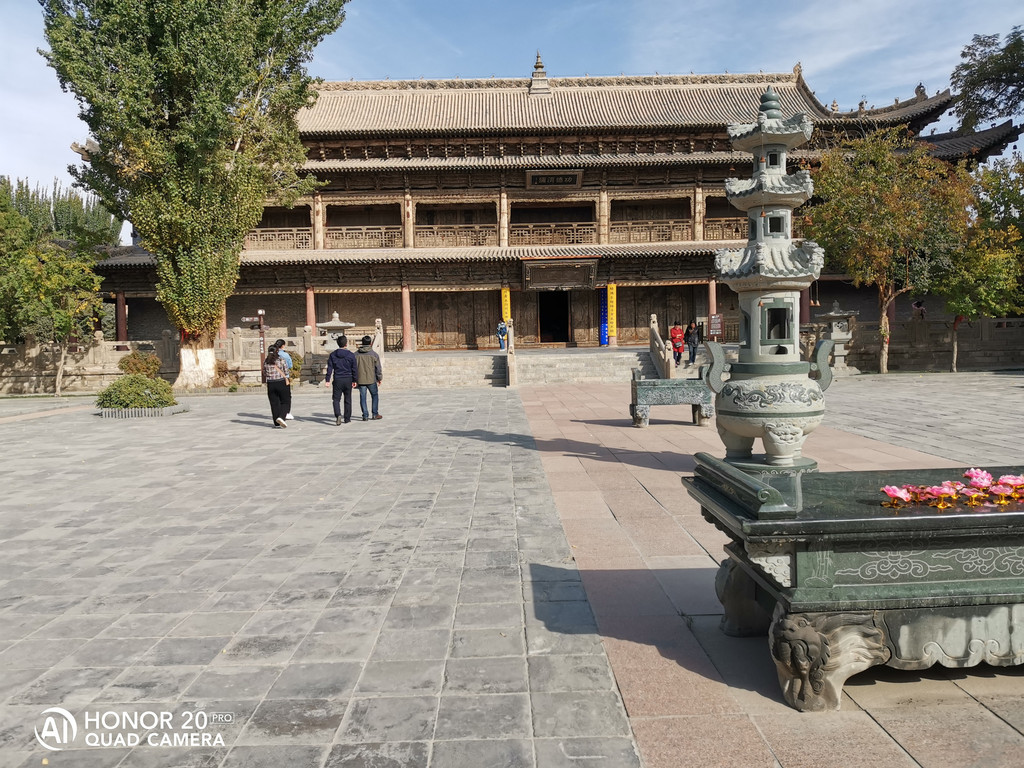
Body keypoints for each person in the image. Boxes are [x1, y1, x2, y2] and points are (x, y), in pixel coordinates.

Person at [324, 335, 357, 425]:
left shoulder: (333, 355)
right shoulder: (351, 355)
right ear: (346, 344)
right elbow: (354, 369)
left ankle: (338, 414)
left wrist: (327, 380)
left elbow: (330, 368)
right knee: (348, 399)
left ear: (337, 344)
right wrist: (355, 380)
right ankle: (347, 418)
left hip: (338, 379)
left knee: (336, 399)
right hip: (348, 378)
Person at [355, 334, 383, 421]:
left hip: (360, 379)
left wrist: (354, 379)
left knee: (362, 397)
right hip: (371, 379)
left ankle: (365, 415)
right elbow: (378, 368)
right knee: (374, 395)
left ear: (362, 343)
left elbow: (353, 368)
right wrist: (379, 378)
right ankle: (375, 414)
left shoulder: (355, 355)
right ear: (371, 343)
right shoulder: (374, 355)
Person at [263, 345, 290, 428]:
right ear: (277, 351)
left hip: (270, 383)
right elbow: (286, 371)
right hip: (281, 382)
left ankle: (276, 422)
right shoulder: (281, 360)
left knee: (274, 403)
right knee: (285, 401)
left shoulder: (266, 361)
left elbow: (264, 373)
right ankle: (281, 417)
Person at [273, 339, 294, 420]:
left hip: (273, 378)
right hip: (284, 377)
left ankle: (279, 413)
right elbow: (290, 365)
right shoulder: (285, 355)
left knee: (277, 397)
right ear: (283, 346)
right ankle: (286, 412)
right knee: (286, 396)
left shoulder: (272, 354)